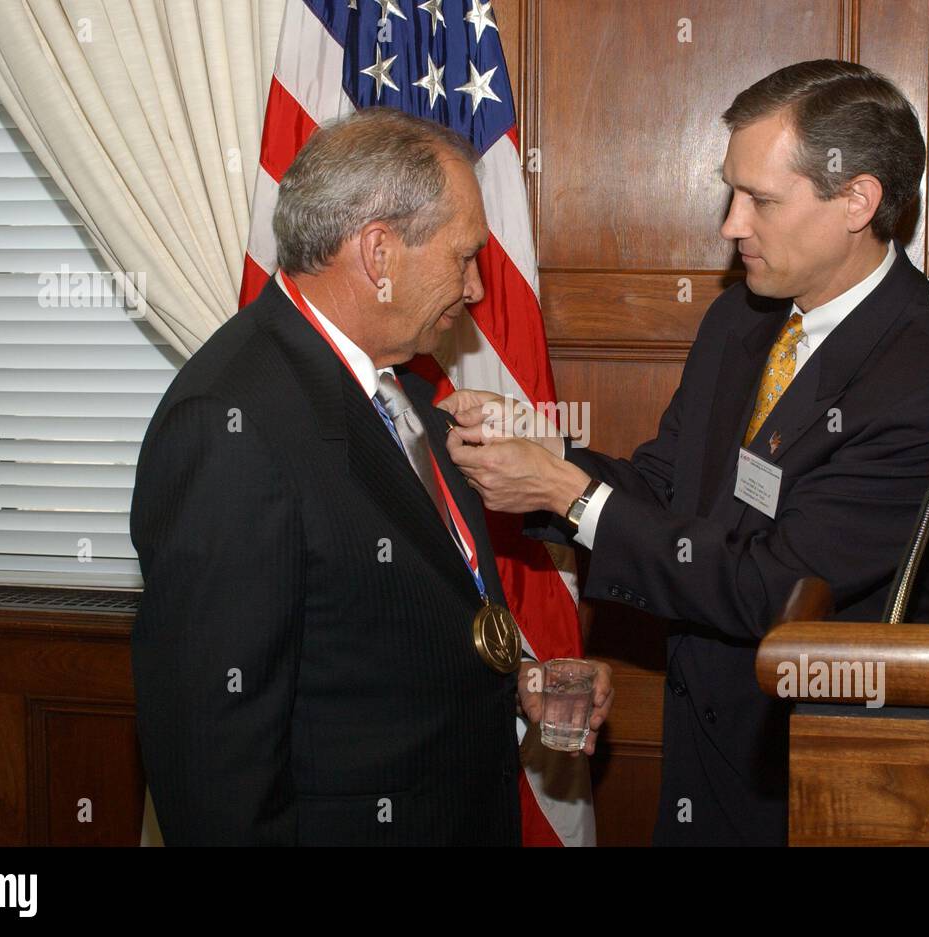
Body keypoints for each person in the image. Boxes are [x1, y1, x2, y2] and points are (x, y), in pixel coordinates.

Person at [441, 60, 929, 846]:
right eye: (730, 191)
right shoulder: (741, 320)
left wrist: (568, 491)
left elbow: (771, 584)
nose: (730, 225)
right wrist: (542, 460)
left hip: (821, 787)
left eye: (761, 200)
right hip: (703, 767)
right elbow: (664, 491)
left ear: (858, 200)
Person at [130, 108, 611, 846]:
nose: (479, 288)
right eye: (464, 257)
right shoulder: (230, 426)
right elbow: (214, 769)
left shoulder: (407, 392)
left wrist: (520, 685)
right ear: (379, 253)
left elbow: (389, 629)